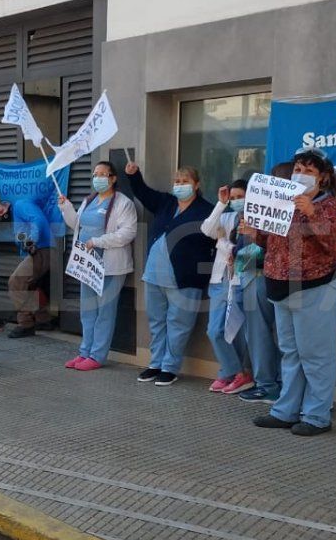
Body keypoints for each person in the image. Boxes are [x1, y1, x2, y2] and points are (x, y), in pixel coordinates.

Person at [251, 150, 336, 436]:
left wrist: (312, 212)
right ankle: (286, 411)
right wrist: (254, 231)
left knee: (316, 356)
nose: (300, 175)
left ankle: (317, 416)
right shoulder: (282, 203)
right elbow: (270, 242)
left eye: (308, 171)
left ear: (323, 177)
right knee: (291, 353)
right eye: (297, 168)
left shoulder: (331, 207)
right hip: (281, 288)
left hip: (316, 289)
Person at [126, 162, 216, 386]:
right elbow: (143, 192)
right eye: (177, 181)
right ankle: (155, 363)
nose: (180, 185)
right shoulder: (166, 203)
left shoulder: (207, 210)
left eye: (185, 181)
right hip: (154, 275)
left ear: (196, 185)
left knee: (179, 323)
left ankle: (170, 367)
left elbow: (214, 239)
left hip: (185, 278)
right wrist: (134, 175)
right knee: (156, 321)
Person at [58, 161, 136, 370]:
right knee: (88, 310)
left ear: (113, 178)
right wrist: (66, 207)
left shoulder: (123, 203)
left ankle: (97, 355)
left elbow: (127, 233)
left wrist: (98, 242)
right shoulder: (89, 200)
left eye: (103, 174)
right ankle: (84, 352)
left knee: (105, 311)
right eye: (95, 174)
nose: (98, 178)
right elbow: (77, 225)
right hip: (87, 265)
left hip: (110, 266)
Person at [234, 162, 290, 404]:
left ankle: (280, 387)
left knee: (287, 340)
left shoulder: (305, 209)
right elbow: (248, 246)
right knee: (258, 334)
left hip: (286, 279)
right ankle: (268, 384)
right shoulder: (260, 208)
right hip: (257, 274)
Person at [201, 179, 256, 395]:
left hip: (240, 278)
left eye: (239, 197)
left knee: (236, 330)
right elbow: (206, 229)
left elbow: (241, 251)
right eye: (232, 198)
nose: (236, 201)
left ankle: (232, 373)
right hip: (220, 280)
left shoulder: (253, 220)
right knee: (214, 330)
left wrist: (222, 243)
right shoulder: (227, 216)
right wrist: (221, 204)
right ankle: (235, 371)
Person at [5, 197, 56, 338]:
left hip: (42, 249)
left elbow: (37, 220)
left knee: (16, 282)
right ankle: (43, 319)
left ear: (4, 203)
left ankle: (26, 324)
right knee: (30, 285)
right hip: (42, 250)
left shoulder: (20, 204)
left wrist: (31, 240)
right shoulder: (19, 211)